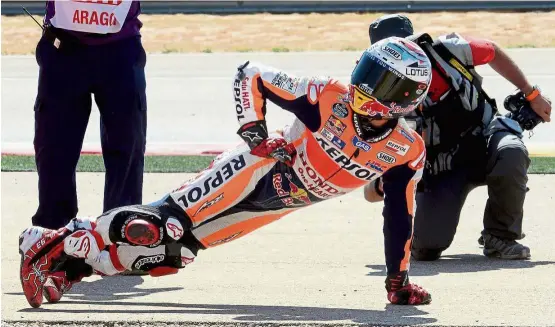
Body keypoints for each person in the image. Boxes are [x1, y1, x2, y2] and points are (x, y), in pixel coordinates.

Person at [19, 37, 433, 308]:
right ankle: (49, 240)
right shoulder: (328, 96)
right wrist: (254, 135)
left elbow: (401, 215)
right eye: (366, 71)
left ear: (403, 98)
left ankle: (67, 267)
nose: (363, 85)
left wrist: (397, 281)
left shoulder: (406, 151)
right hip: (257, 168)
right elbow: (251, 74)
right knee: (164, 224)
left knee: (171, 254)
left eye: (380, 81)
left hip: (272, 208)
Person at [363, 14, 552, 261]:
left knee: (511, 150)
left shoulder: (448, 50)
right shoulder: (377, 99)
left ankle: (500, 236)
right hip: (440, 169)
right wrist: (381, 183)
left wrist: (531, 93)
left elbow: (491, 51)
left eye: (406, 50)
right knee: (425, 248)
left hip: (483, 140)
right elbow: (370, 191)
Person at [31, 1, 147, 229]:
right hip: (62, 47)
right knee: (54, 148)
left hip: (120, 48)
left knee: (127, 145)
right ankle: (53, 238)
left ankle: (121, 233)